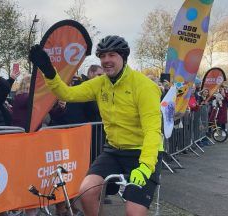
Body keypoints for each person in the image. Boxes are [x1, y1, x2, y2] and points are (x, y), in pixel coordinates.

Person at [29, 35, 162, 216]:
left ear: (123, 57)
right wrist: (48, 71)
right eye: (102, 56)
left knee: (133, 212)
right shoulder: (100, 83)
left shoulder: (144, 86)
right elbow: (67, 94)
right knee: (86, 191)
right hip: (114, 151)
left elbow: (153, 131)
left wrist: (146, 166)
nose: (106, 60)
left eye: (112, 55)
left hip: (142, 152)